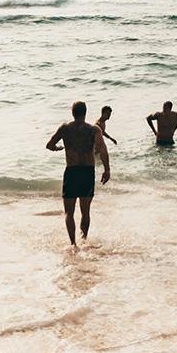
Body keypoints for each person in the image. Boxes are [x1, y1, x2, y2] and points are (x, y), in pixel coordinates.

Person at [46, 101, 110, 246]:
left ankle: (73, 244)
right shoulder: (94, 130)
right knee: (85, 211)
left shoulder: (65, 129)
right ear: (85, 112)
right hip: (87, 172)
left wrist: (57, 148)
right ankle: (84, 240)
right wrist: (107, 169)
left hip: (72, 172)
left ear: (72, 113)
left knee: (69, 212)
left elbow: (49, 145)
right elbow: (102, 149)